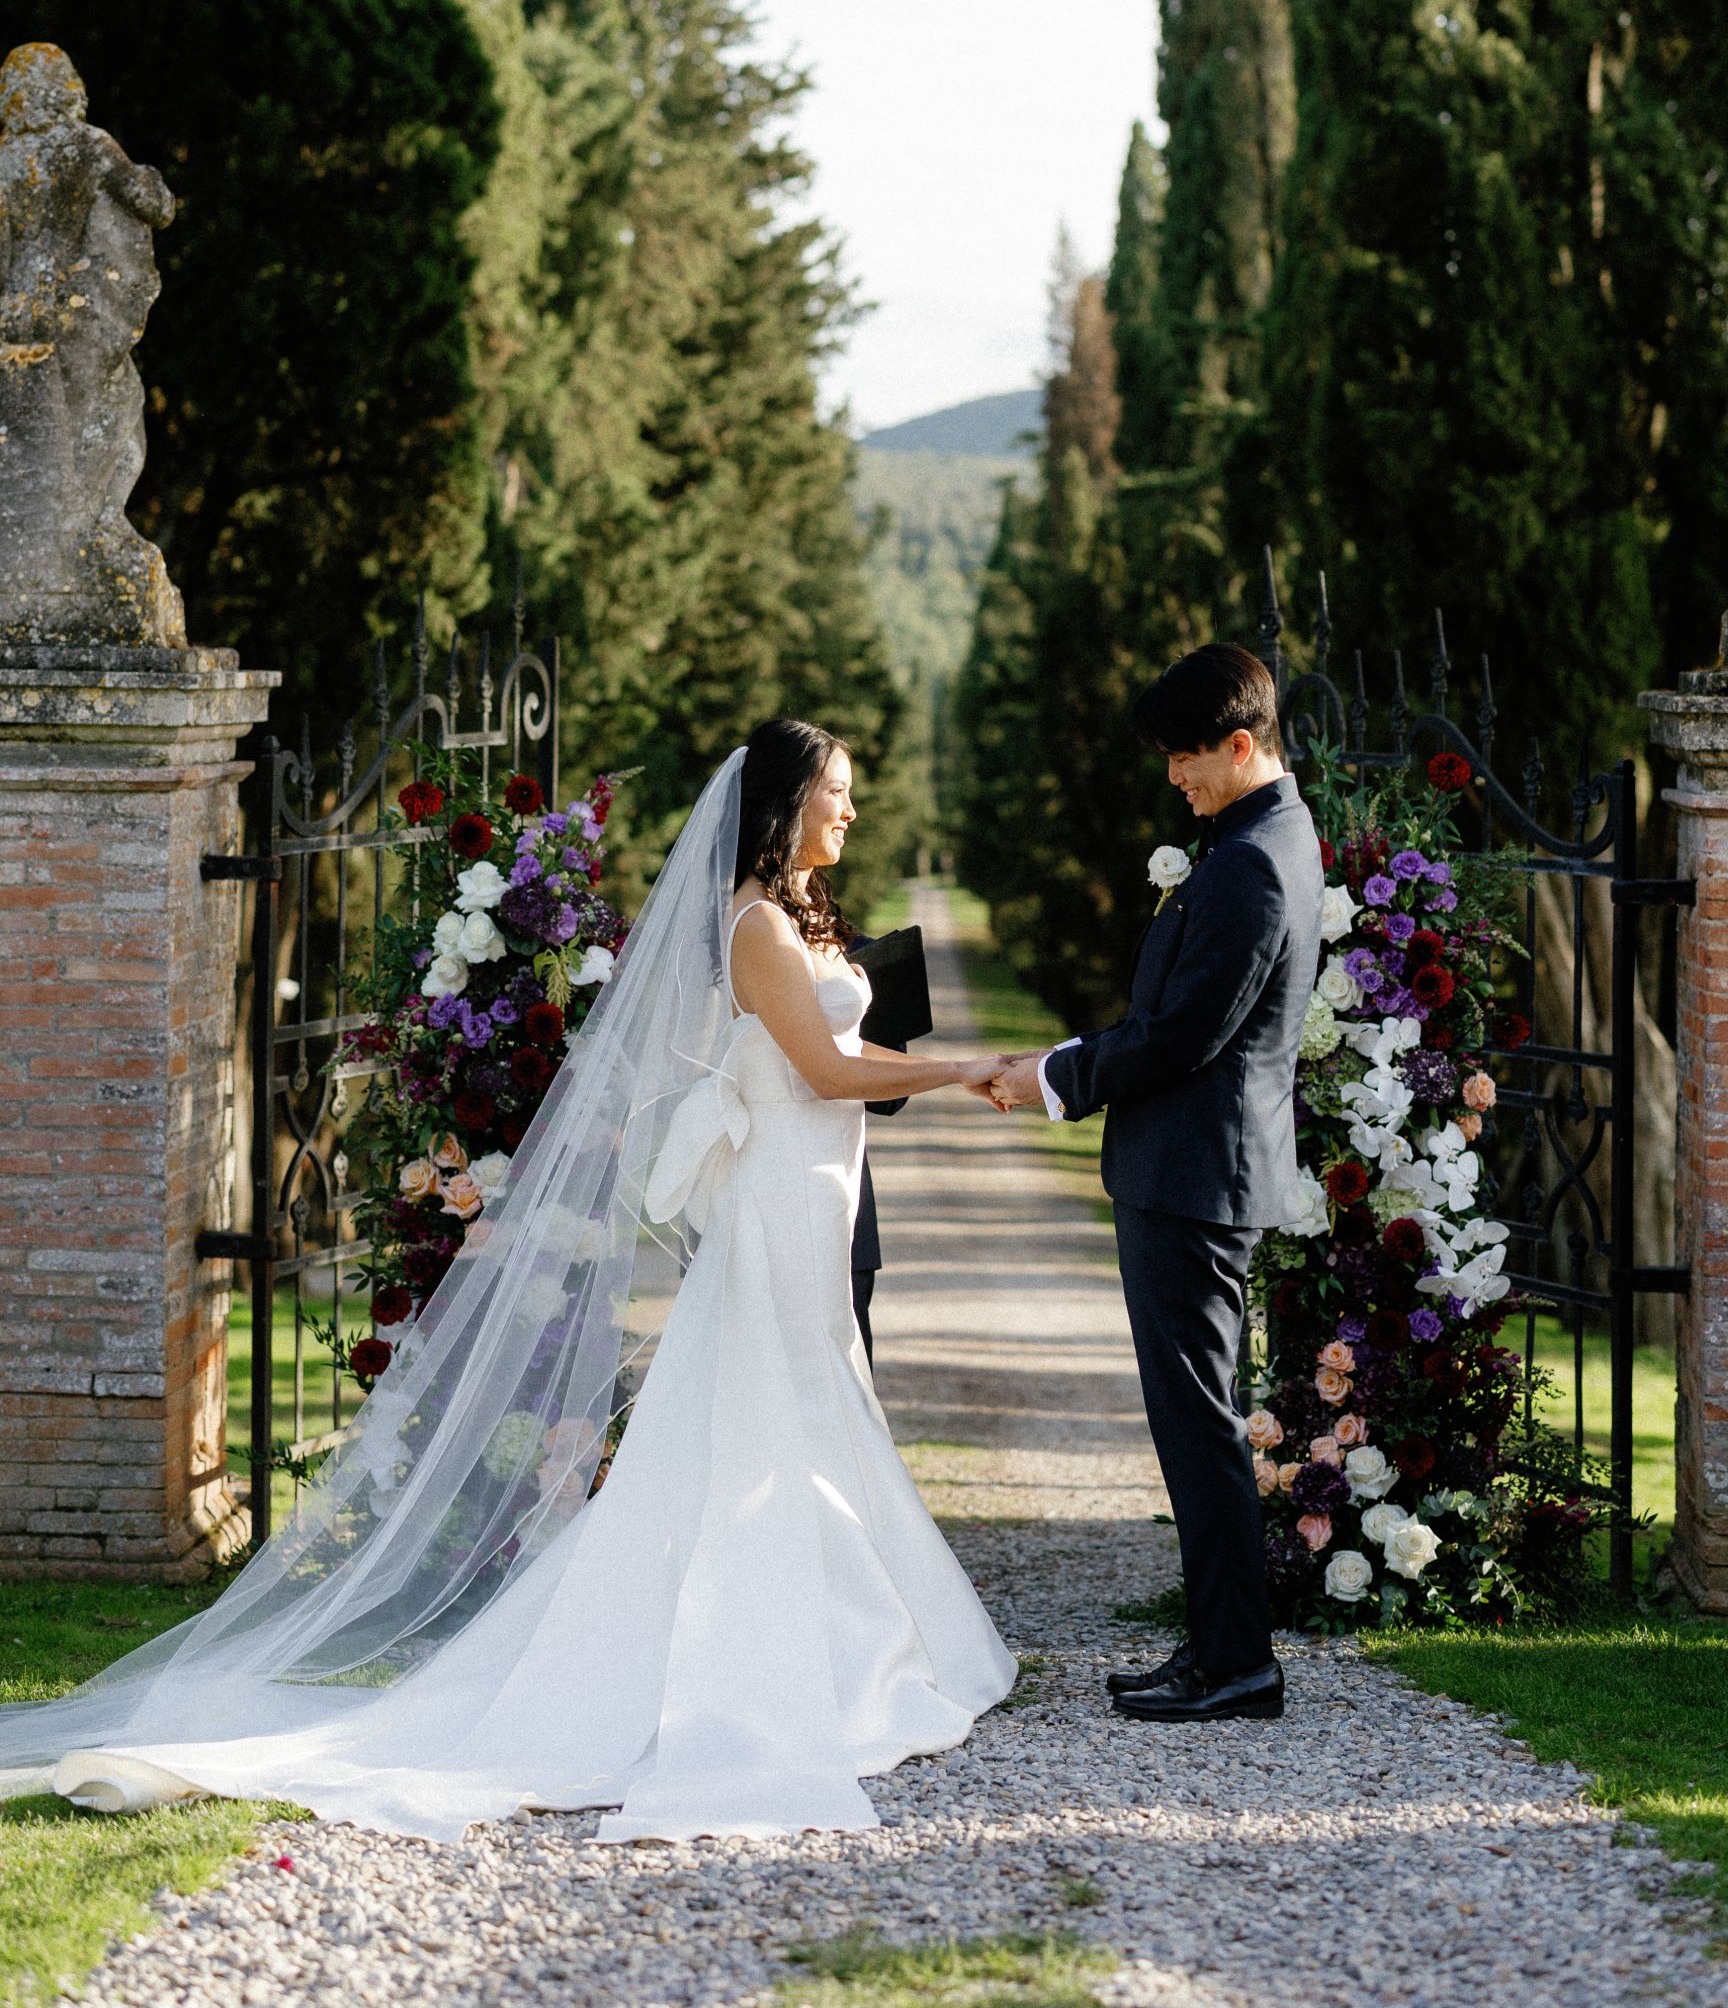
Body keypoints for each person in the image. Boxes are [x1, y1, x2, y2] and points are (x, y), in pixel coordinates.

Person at [0, 723, 1014, 1842]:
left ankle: (839, 1623)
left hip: (817, 1190)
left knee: (808, 1401)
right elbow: (826, 1071)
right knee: (766, 1410)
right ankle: (782, 1643)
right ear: (784, 804)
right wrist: (967, 1067)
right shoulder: (756, 925)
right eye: (837, 793)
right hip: (779, 1193)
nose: (850, 813)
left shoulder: (799, 916)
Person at [985, 646, 1322, 1724]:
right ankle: (1220, 1645)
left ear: (1240, 744)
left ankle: (1238, 1663)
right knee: (1195, 1419)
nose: (1173, 776)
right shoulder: (1253, 839)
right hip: (1191, 1170)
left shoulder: (1256, 860)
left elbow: (1185, 1034)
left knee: (1202, 1422)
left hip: (1197, 1176)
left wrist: (1055, 1074)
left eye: (1185, 756)